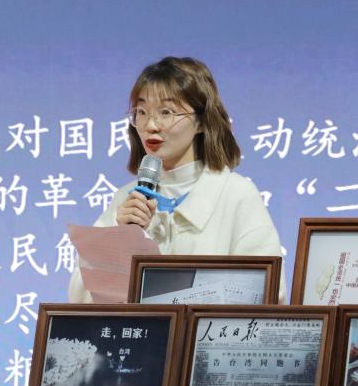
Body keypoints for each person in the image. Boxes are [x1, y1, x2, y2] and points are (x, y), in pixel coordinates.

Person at [68, 57, 285, 303]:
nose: (151, 125)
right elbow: (80, 298)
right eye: (141, 112)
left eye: (166, 112)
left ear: (201, 121)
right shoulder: (127, 199)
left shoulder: (236, 194)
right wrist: (119, 239)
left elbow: (269, 291)